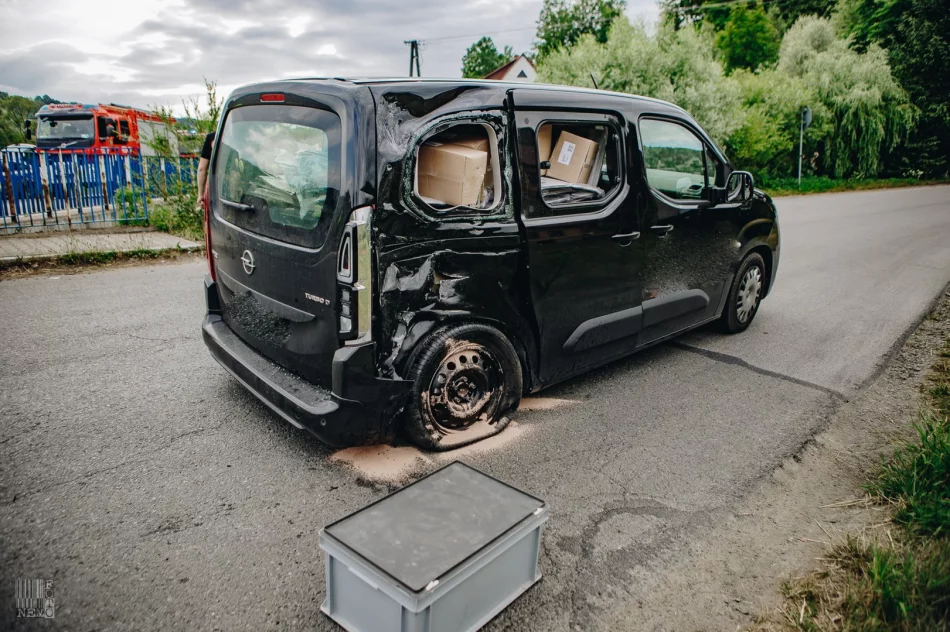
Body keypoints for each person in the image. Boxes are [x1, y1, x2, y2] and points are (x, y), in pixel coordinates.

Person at [197, 131, 215, 202]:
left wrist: (201, 195)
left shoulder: (212, 137)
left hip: (216, 191)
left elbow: (202, 169)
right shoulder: (238, 137)